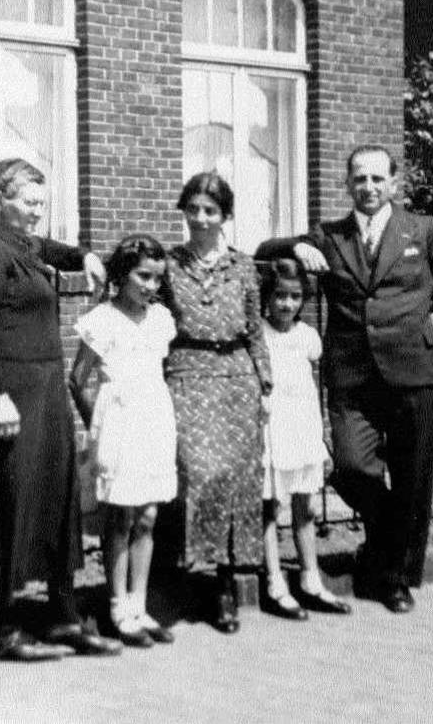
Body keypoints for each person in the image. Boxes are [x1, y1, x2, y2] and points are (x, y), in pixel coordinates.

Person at [256, 145, 433, 613]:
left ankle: (394, 578)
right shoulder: (330, 236)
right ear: (347, 184)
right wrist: (296, 247)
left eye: (376, 179)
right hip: (353, 376)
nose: (368, 188)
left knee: (412, 478)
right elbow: (266, 251)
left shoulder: (423, 230)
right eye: (359, 179)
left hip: (416, 371)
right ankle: (391, 536)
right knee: (351, 466)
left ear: (394, 183)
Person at [0, 158, 122, 660]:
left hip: (44, 395)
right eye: (28, 203)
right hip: (8, 397)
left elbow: (48, 248)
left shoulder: (18, 244)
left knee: (54, 500)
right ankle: (0, 628)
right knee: (6, 508)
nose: (37, 213)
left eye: (42, 203)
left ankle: (64, 618)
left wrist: (85, 256)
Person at [164, 172, 273, 633]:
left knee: (237, 478)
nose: (200, 218)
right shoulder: (168, 264)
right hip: (188, 372)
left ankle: (226, 584)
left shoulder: (245, 267)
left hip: (238, 377)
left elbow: (253, 327)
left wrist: (265, 381)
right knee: (198, 472)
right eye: (193, 209)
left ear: (225, 216)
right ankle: (191, 571)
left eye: (210, 210)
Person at [69, 235, 177, 648]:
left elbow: (156, 371)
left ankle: (138, 603)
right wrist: (98, 427)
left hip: (153, 418)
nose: (150, 285)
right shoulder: (102, 319)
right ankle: (116, 606)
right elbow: (77, 380)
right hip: (118, 422)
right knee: (121, 516)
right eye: (142, 276)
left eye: (156, 278)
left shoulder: (160, 319)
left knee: (148, 514)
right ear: (121, 274)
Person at [259, 257, 351, 619]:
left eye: (295, 297)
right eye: (280, 295)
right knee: (270, 506)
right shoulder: (259, 334)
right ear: (268, 296)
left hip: (302, 427)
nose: (287, 303)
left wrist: (323, 436)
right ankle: (275, 581)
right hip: (272, 429)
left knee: (307, 506)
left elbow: (315, 389)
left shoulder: (308, 337)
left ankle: (311, 579)